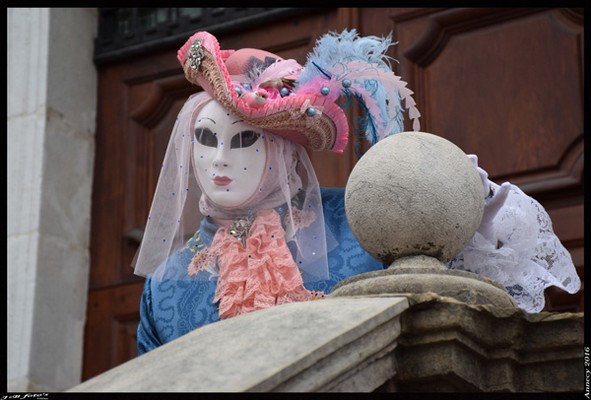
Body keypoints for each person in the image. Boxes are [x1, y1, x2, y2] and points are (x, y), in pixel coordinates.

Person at [134, 29, 580, 355]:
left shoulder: (367, 221)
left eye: (245, 139)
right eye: (206, 139)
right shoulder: (165, 285)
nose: (219, 161)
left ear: (286, 151)